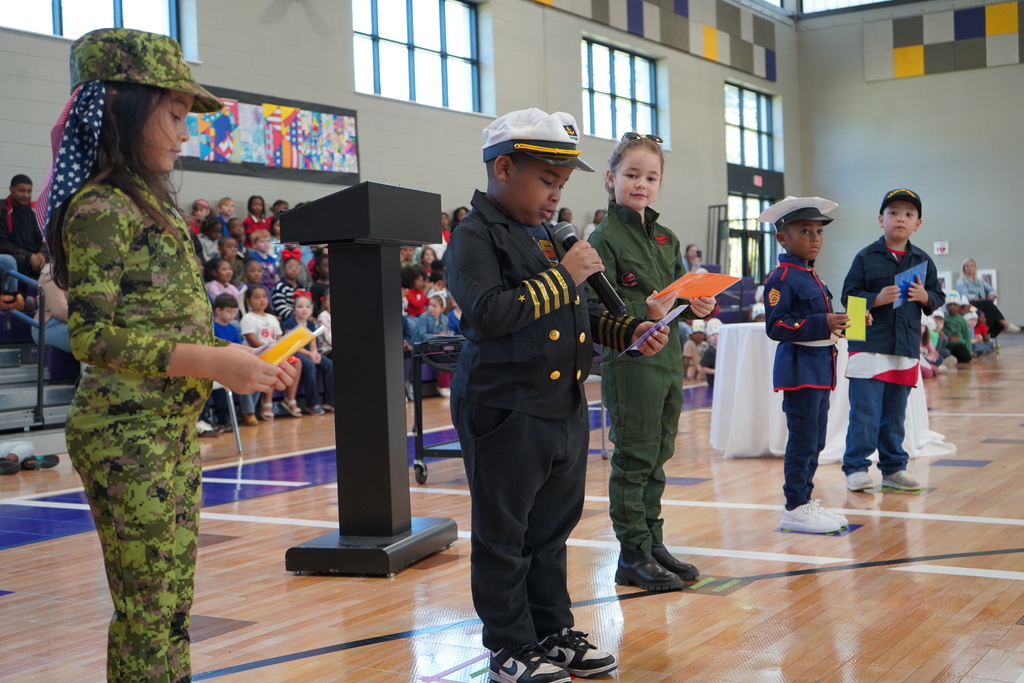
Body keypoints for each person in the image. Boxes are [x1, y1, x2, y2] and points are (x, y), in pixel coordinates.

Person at [39, 28, 294, 682]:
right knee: (148, 612)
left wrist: (250, 363)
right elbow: (92, 335)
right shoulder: (100, 207)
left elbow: (165, 320)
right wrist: (212, 364)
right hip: (126, 433)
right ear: (125, 108)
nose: (186, 134)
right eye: (176, 115)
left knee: (170, 607)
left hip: (165, 430)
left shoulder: (149, 204)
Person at [446, 107, 672, 683]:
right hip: (505, 405)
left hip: (559, 404)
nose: (555, 197)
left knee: (551, 532)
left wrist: (630, 332)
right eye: (547, 182)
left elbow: (580, 316)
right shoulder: (476, 234)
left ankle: (551, 631)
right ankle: (508, 645)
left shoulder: (548, 235)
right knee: (506, 535)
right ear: (503, 168)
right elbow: (491, 313)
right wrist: (563, 276)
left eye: (562, 186)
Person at [588, 130, 715, 592]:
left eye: (651, 177)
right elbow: (596, 310)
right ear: (611, 178)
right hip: (632, 359)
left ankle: (653, 541)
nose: (641, 184)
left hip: (666, 360)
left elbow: (680, 292)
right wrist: (646, 313)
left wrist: (701, 305)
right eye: (631, 174)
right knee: (635, 456)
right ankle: (632, 552)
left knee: (660, 453)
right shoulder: (602, 238)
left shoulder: (666, 237)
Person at [841, 189, 945, 493]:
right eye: (894, 212)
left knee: (895, 414)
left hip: (904, 346)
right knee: (864, 411)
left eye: (909, 214)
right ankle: (856, 467)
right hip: (869, 345)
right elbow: (849, 297)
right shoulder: (865, 256)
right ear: (880, 219)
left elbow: (937, 296)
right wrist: (875, 298)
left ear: (918, 223)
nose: (901, 218)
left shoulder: (923, 260)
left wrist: (926, 297)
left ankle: (894, 468)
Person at [760, 196, 851, 534]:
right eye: (805, 231)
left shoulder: (812, 276)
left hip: (819, 369)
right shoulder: (783, 277)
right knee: (802, 440)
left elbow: (820, 319)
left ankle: (804, 500)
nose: (815, 238)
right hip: (799, 372)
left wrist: (844, 322)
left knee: (816, 441)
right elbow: (776, 326)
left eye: (819, 231)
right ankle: (794, 506)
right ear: (783, 238)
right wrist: (821, 322)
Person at [282, 292, 333, 413]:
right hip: (294, 352)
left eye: (307, 307)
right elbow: (292, 345)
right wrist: (310, 354)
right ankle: (312, 403)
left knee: (329, 365)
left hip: (308, 352)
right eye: (300, 307)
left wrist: (314, 352)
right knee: (310, 365)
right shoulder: (289, 323)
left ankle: (329, 401)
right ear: (294, 310)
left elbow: (312, 342)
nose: (304, 310)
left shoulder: (310, 324)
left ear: (312, 309)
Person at [0, 174, 45, 306]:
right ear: (11, 189)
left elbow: (44, 239)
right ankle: (16, 299)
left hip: (33, 258)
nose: (26, 195)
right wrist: (29, 255)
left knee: (52, 259)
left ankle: (49, 303)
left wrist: (41, 254)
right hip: (16, 257)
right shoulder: (3, 210)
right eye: (21, 190)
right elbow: (2, 243)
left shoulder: (34, 212)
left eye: (29, 191)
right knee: (18, 259)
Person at [955, 258, 1020, 338]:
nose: (970, 268)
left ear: (975, 267)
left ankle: (986, 333)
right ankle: (1004, 323)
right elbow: (964, 295)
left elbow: (991, 290)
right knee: (987, 304)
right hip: (969, 305)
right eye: (967, 266)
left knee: (988, 308)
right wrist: (975, 298)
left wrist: (992, 295)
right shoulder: (961, 281)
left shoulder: (980, 281)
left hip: (982, 305)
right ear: (964, 268)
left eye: (972, 266)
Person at [32, 261, 73, 354]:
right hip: (48, 325)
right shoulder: (51, 271)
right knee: (88, 337)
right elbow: (60, 310)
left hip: (74, 321)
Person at [942, 292, 973, 363]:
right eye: (950, 305)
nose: (952, 307)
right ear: (946, 306)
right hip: (948, 344)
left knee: (967, 358)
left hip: (960, 344)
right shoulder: (944, 318)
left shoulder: (962, 320)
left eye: (955, 305)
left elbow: (966, 336)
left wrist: (969, 350)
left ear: (959, 307)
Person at [698, 318, 721, 388]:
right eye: (712, 335)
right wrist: (715, 371)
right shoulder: (709, 351)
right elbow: (700, 368)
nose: (715, 337)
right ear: (708, 338)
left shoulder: (722, 350)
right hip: (713, 382)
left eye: (717, 334)